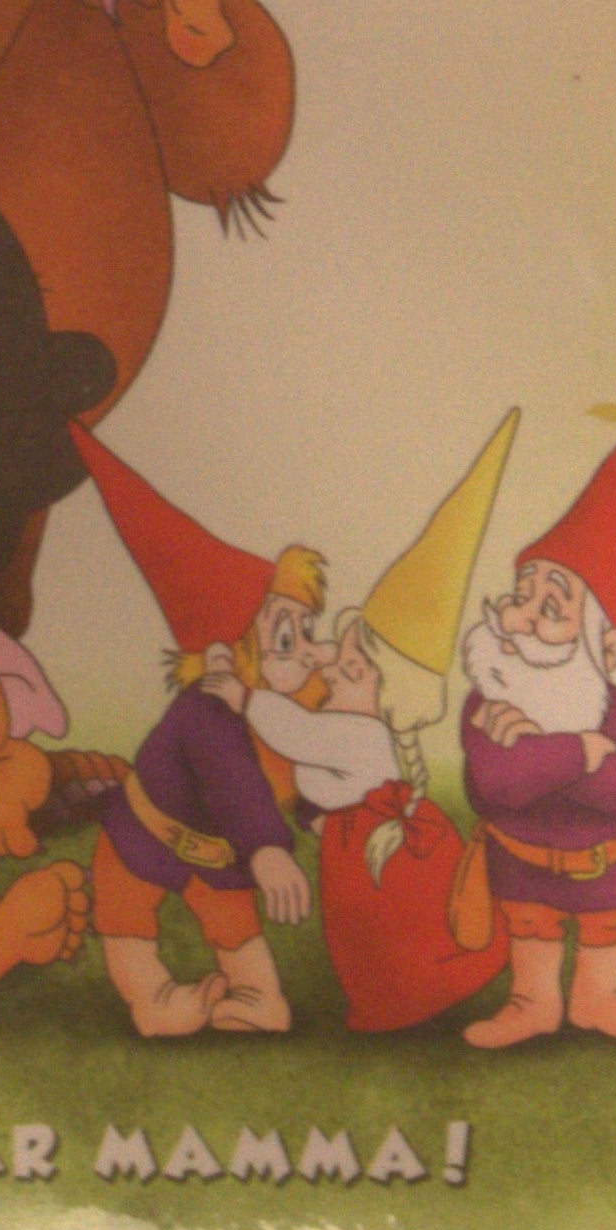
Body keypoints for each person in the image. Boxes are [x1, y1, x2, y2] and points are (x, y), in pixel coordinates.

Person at [205, 412, 518, 1031]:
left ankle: (410, 992)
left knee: (385, 928)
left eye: (349, 667)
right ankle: (393, 993)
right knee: (367, 936)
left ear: (386, 695)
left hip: (377, 860)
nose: (330, 669)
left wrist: (243, 697)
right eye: (340, 659)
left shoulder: (357, 734)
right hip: (358, 848)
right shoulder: (363, 717)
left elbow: (298, 734)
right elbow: (327, 682)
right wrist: (325, 654)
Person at [455, 280, 616, 1046]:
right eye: (522, 594)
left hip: (607, 864)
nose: (524, 615)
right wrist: (580, 752)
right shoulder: (493, 690)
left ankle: (599, 997)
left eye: (552, 606)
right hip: (523, 860)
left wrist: (556, 753)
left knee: (605, 927)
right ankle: (532, 1002)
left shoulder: (608, 705)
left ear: (599, 645)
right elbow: (496, 781)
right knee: (529, 923)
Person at [73, 425, 327, 1036]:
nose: (307, 650)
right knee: (125, 919)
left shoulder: (295, 705)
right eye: (285, 636)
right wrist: (269, 848)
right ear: (222, 660)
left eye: (307, 631)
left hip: (220, 853)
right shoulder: (207, 713)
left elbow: (302, 765)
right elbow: (234, 780)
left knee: (235, 927)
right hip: (146, 831)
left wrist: (320, 813)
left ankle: (259, 999)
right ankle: (154, 1000)